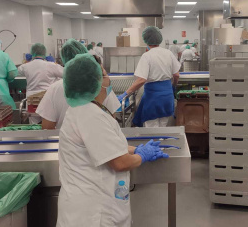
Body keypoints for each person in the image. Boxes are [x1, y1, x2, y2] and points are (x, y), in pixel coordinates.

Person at [56, 53, 169, 227]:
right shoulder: (89, 115)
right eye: (104, 75)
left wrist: (135, 149)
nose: (108, 79)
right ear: (96, 83)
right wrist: (143, 156)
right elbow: (119, 162)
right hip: (93, 213)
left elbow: (106, 146)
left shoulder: (85, 110)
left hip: (91, 206)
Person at [37, 39, 121, 130]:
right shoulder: (100, 86)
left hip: (65, 141)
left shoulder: (55, 88)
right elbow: (112, 122)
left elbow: (47, 128)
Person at [117, 26, 180, 127]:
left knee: (151, 128)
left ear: (146, 40)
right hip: (167, 97)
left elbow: (141, 80)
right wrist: (173, 87)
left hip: (153, 99)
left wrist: (125, 94)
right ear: (159, 39)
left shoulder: (147, 56)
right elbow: (176, 75)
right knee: (163, 128)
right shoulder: (168, 53)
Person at [18, 43, 64, 124]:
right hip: (47, 98)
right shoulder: (51, 65)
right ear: (44, 53)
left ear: (32, 53)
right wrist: (55, 63)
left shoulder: (25, 66)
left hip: (31, 101)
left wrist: (27, 61)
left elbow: (17, 72)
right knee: (50, 121)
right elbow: (66, 73)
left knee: (34, 124)